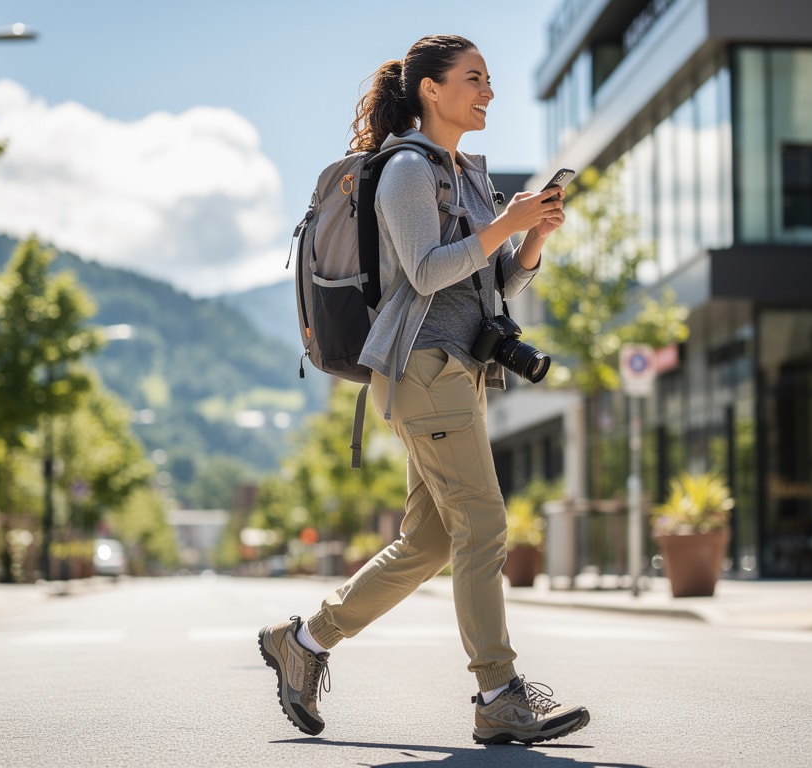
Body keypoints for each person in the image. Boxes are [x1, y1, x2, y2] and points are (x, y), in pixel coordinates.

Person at [258, 34, 589, 745]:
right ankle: (498, 693)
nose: (488, 90)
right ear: (431, 90)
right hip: (421, 366)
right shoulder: (408, 167)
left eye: (490, 79)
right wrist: (507, 221)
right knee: (484, 525)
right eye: (474, 78)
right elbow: (426, 270)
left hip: (461, 369)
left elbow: (488, 282)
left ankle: (305, 643)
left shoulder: (465, 173)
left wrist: (529, 242)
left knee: (428, 542)